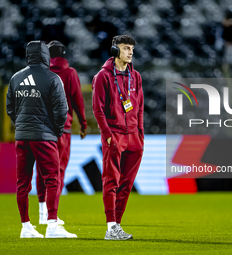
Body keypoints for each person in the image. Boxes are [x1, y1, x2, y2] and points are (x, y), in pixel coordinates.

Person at [6, 41, 76, 238]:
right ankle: (52, 225)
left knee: (22, 183)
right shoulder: (53, 78)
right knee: (52, 179)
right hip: (44, 137)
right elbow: (62, 110)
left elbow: (10, 107)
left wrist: (21, 124)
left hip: (21, 137)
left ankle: (26, 227)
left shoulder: (15, 78)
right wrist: (56, 131)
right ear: (46, 55)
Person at [92, 35, 144, 240]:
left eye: (132, 48)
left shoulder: (136, 76)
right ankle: (111, 226)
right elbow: (98, 109)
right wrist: (107, 135)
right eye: (125, 48)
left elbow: (139, 108)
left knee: (127, 184)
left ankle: (118, 225)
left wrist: (140, 134)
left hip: (134, 137)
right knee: (111, 181)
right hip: (114, 135)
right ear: (115, 51)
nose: (130, 52)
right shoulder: (103, 77)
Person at [36, 40, 87, 225]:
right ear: (64, 54)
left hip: (40, 128)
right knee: (58, 171)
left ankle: (42, 214)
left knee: (42, 171)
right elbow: (77, 99)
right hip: (62, 129)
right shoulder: (70, 73)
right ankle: (52, 217)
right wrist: (83, 123)